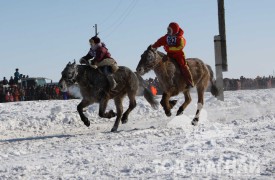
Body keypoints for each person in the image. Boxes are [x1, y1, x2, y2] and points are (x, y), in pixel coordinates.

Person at [151, 22, 194, 88]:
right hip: (169, 55)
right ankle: (164, 81)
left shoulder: (180, 38)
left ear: (174, 30)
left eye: (170, 30)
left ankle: (189, 82)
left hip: (178, 55)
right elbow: (160, 41)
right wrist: (153, 46)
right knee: (162, 63)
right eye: (168, 29)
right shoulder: (167, 37)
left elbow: (180, 47)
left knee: (183, 66)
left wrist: (169, 48)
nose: (168, 31)